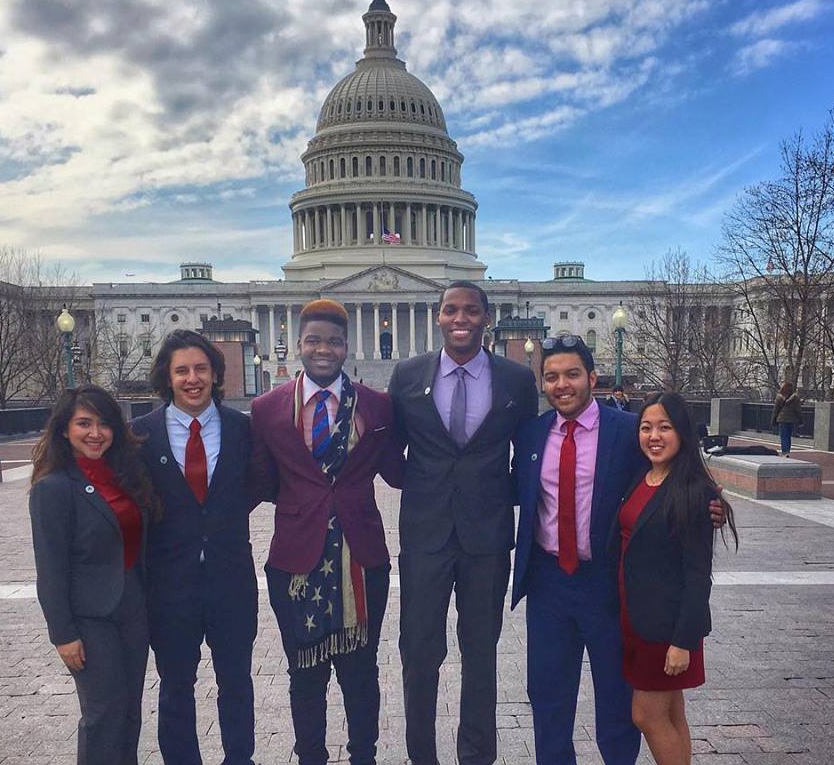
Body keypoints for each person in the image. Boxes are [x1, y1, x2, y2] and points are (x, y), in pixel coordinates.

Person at [513, 337, 725, 765]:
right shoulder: (532, 434)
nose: (562, 385)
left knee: (617, 702)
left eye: (572, 374)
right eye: (551, 377)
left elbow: (670, 474)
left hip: (610, 585)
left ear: (592, 378)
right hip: (549, 584)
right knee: (549, 699)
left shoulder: (628, 430)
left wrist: (708, 502)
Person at [387, 281, 537, 765]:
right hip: (426, 536)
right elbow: (391, 453)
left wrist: (498, 496)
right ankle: (421, 756)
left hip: (487, 539)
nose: (460, 318)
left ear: (486, 317)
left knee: (480, 654)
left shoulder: (515, 380)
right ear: (437, 316)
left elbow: (529, 455)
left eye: (471, 310)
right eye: (451, 309)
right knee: (419, 653)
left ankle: (477, 756)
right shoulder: (407, 376)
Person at [249, 299, 405, 765]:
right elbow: (259, 481)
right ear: (298, 344)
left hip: (363, 557)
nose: (324, 349)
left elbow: (399, 472)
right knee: (305, 675)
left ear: (346, 347)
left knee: (362, 672)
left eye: (334, 341)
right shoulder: (267, 409)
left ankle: (365, 756)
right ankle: (311, 756)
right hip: (295, 560)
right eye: (314, 340)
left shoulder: (377, 406)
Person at [131, 331, 257, 765]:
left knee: (237, 682)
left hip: (231, 581)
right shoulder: (140, 437)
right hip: (169, 587)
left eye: (201, 369)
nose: (192, 379)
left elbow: (259, 486)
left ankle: (239, 759)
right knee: (176, 686)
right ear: (167, 377)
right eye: (181, 370)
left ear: (215, 374)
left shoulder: (243, 429)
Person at [29, 384, 157, 765]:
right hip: (89, 619)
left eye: (104, 423)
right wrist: (63, 634)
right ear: (64, 430)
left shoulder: (127, 476)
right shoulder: (52, 489)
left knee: (131, 709)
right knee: (103, 712)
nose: (95, 433)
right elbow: (50, 569)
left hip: (133, 609)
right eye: (84, 423)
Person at [619, 392, 738, 765]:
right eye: (646, 427)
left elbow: (698, 574)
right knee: (671, 714)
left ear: (683, 433)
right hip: (635, 617)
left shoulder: (694, 493)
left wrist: (683, 640)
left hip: (664, 627)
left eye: (665, 428)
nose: (654, 436)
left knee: (646, 714)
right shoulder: (643, 476)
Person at [771, 382, 803, 456]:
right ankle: (787, 451)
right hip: (792, 419)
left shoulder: (779, 397)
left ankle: (784, 452)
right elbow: (798, 410)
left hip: (782, 419)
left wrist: (773, 420)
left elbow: (776, 410)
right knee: (788, 436)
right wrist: (801, 420)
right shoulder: (796, 397)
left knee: (783, 436)